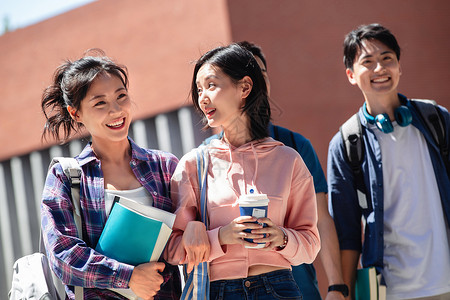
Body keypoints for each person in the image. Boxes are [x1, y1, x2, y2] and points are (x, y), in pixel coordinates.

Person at [166, 43, 320, 299]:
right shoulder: (193, 165)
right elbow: (173, 249)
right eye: (199, 89)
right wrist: (221, 237)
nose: (203, 97)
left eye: (211, 85)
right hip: (218, 291)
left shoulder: (288, 159)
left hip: (278, 288)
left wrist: (280, 237)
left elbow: (311, 243)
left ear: (245, 87)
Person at [203, 41, 347, 300]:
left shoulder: (293, 148)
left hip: (295, 288)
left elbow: (320, 220)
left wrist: (337, 285)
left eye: (261, 74)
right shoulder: (202, 158)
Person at [40, 51, 181, 299]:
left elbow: (183, 238)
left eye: (121, 96)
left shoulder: (165, 166)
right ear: (76, 113)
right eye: (100, 103)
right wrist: (129, 277)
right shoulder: (66, 175)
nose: (116, 110)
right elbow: (63, 255)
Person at [327, 24, 450, 299]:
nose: (380, 69)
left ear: (399, 67)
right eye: (367, 62)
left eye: (387, 59)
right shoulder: (347, 143)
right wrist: (343, 291)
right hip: (390, 290)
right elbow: (346, 233)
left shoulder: (437, 121)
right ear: (351, 74)